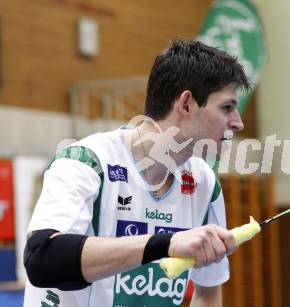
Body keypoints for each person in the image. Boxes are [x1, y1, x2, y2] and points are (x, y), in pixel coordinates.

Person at [23, 39, 250, 307]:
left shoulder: (203, 182)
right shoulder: (86, 161)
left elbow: (208, 292)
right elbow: (42, 259)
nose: (238, 122)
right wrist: (164, 244)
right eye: (227, 107)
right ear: (187, 104)